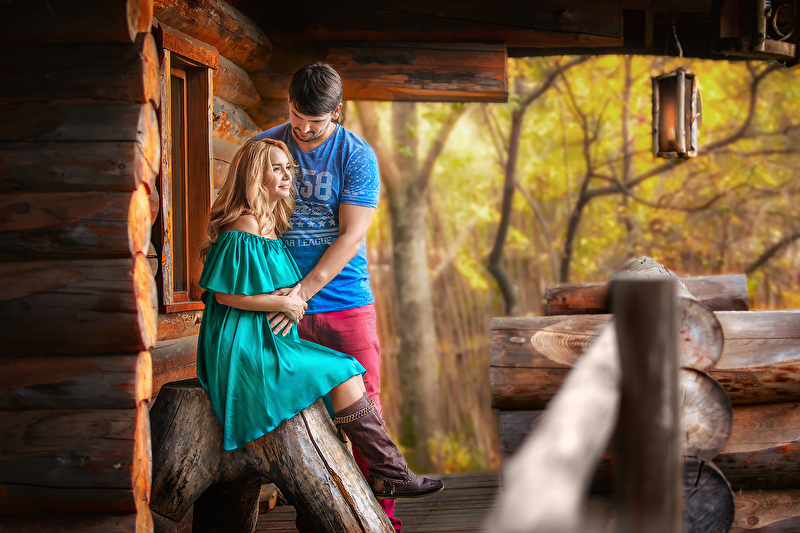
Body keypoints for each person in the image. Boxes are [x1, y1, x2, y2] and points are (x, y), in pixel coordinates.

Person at [195, 138, 443, 509]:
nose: (287, 176)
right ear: (255, 175)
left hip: (262, 336)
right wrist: (284, 302)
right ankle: (390, 473)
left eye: (288, 168)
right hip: (240, 344)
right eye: (276, 168)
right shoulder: (244, 224)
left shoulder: (269, 224)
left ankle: (388, 473)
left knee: (346, 370)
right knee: (343, 370)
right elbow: (225, 297)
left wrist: (283, 299)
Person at [255, 63, 409, 531]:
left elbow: (350, 236)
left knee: (364, 415)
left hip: (344, 304)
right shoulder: (263, 148)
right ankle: (319, 520)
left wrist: (302, 292)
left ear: (336, 112)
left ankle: (381, 521)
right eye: (296, 116)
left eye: (315, 123)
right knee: (304, 421)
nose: (302, 130)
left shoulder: (356, 155)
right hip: (280, 309)